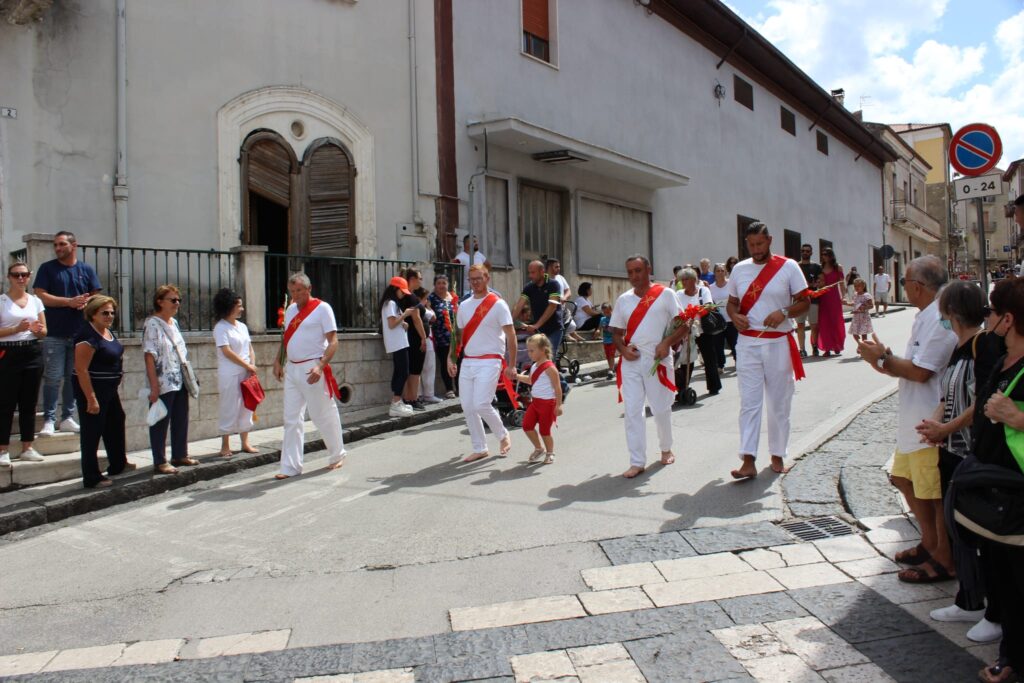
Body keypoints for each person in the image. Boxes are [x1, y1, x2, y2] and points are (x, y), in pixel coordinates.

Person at [856, 255, 957, 582]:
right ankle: (930, 542)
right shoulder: (926, 315)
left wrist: (883, 359)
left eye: (904, 282)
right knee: (903, 479)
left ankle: (944, 557)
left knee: (933, 493)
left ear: (917, 286)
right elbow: (910, 366)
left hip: (929, 419)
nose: (903, 287)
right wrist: (882, 359)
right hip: (914, 417)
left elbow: (921, 371)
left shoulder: (940, 318)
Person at [915, 281, 1002, 643]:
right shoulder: (958, 347)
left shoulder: (984, 345)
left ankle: (991, 609)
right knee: (958, 527)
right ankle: (968, 598)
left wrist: (947, 427)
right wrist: (935, 425)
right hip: (951, 449)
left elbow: (982, 399)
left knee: (977, 531)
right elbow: (947, 396)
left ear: (951, 311)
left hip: (972, 452)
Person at [727, 223, 810, 479]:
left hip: (778, 343)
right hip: (747, 344)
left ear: (770, 240)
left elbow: (805, 302)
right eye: (751, 245)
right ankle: (748, 460)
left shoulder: (788, 267)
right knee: (749, 403)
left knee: (778, 402)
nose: (756, 249)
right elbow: (732, 303)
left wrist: (784, 312)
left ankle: (777, 454)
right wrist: (734, 316)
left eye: (760, 244)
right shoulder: (739, 269)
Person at [972, 277, 1024, 682]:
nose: (987, 318)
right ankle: (1010, 656)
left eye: (992, 312)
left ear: (1008, 319)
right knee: (1005, 579)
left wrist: (1017, 417)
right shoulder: (1000, 356)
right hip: (997, 490)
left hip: (1018, 491)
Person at [610, 255, 687, 479]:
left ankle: (666, 448)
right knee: (633, 411)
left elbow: (683, 325)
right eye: (630, 272)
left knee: (661, 408)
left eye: (638, 270)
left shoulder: (666, 294)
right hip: (631, 360)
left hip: (657, 358)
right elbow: (616, 333)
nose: (634, 276)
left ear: (648, 270)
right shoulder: (624, 300)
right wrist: (622, 350)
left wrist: (666, 343)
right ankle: (637, 461)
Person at [273, 272, 346, 478]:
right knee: (291, 419)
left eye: (299, 291)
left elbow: (333, 341)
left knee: (322, 414)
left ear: (309, 289)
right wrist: (278, 361)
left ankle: (337, 454)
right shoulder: (290, 310)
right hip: (292, 369)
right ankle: (290, 467)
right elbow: (286, 339)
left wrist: (321, 366)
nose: (295, 295)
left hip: (312, 367)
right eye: (292, 291)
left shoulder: (323, 309)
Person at [33, 230, 101, 436]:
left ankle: (68, 418)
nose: (58, 248)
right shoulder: (47, 269)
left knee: (74, 377)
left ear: (74, 245)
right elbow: (40, 295)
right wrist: (69, 302)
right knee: (53, 377)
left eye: (62, 244)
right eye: (56, 245)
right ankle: (49, 419)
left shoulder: (86, 269)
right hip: (54, 333)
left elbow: (96, 295)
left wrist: (85, 302)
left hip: (80, 335)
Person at [446, 264, 516, 462]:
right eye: (472, 279)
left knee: (481, 403)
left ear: (487, 279)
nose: (475, 282)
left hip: (490, 360)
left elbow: (511, 335)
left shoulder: (498, 304)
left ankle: (502, 434)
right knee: (468, 407)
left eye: (479, 278)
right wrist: (451, 358)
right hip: (468, 361)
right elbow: (457, 337)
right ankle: (480, 447)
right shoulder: (464, 306)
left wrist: (511, 364)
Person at [73, 296, 131, 488]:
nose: (110, 316)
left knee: (116, 421)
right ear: (93, 314)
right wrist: (91, 398)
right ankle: (91, 476)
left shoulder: (106, 331)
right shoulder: (87, 336)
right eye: (105, 313)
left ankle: (118, 464)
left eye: (112, 312)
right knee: (92, 431)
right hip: (93, 390)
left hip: (109, 389)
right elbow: (81, 369)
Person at [143, 285, 196, 475]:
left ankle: (180, 454)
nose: (177, 303)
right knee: (160, 420)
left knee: (181, 417)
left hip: (179, 377)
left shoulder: (174, 323)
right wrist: (154, 386)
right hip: (163, 380)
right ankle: (160, 461)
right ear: (160, 302)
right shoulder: (152, 324)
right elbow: (149, 355)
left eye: (178, 300)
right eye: (173, 300)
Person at [0, 262, 47, 467]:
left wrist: (37, 330)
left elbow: (44, 331)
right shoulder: (2, 301)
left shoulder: (35, 301)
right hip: (8, 352)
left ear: (29, 277)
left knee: (29, 403)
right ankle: (3, 449)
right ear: (9, 277)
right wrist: (15, 329)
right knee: (6, 403)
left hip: (32, 351)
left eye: (24, 275)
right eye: (16, 275)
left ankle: (27, 447)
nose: (20, 278)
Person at [212, 288, 258, 458]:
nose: (242, 309)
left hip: (246, 372)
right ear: (229, 306)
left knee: (247, 406)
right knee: (229, 406)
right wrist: (247, 365)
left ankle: (245, 442)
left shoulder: (243, 327)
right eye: (239, 306)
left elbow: (249, 348)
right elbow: (227, 351)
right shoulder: (220, 327)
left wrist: (252, 365)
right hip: (230, 373)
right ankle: (225, 445)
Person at [516, 334, 563, 465]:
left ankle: (550, 452)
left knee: (544, 431)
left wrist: (558, 405)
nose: (529, 353)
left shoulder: (550, 368)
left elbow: (558, 388)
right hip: (535, 402)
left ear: (543, 350)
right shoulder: (534, 365)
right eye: (528, 350)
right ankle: (539, 448)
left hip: (547, 404)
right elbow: (531, 380)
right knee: (527, 426)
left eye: (532, 350)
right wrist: (517, 376)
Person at [674, 268, 721, 398]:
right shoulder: (678, 294)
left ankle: (714, 386)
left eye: (686, 279)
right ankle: (683, 388)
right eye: (682, 279)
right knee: (686, 359)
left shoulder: (703, 290)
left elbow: (709, 306)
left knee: (709, 358)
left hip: (702, 329)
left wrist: (694, 311)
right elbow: (675, 310)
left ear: (694, 280)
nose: (683, 282)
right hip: (686, 331)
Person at [381, 276, 417, 417]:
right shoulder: (391, 303)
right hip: (397, 343)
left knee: (400, 371)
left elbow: (393, 322)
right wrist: (405, 315)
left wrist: (403, 322)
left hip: (398, 342)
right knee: (403, 372)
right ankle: (396, 402)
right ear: (396, 289)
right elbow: (391, 324)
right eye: (402, 291)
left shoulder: (389, 303)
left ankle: (397, 401)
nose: (403, 294)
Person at [512, 261, 564, 354]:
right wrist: (510, 321)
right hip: (538, 330)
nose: (530, 276)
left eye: (533, 272)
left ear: (542, 271)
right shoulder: (529, 287)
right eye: (529, 272)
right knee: (537, 356)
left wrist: (537, 325)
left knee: (549, 356)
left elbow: (552, 306)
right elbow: (519, 305)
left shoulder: (553, 284)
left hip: (554, 328)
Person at [400, 268, 429, 412]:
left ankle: (409, 397)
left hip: (410, 336)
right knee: (415, 370)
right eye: (420, 278)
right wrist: (423, 338)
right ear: (412, 279)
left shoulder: (406, 295)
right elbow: (416, 319)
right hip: (415, 337)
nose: (421, 281)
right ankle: (412, 398)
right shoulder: (411, 297)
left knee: (412, 369)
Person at [427, 274, 457, 400]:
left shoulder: (453, 296)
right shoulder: (431, 298)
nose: (441, 286)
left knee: (458, 361)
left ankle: (460, 388)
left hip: (455, 337)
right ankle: (449, 389)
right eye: (438, 283)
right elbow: (428, 313)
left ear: (447, 284)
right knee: (446, 362)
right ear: (434, 285)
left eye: (444, 283)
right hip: (441, 337)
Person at [816, 247, 846, 356]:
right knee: (824, 323)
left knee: (836, 322)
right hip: (823, 298)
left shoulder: (838, 267)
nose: (824, 256)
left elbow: (841, 283)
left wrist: (843, 296)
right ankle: (827, 348)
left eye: (826, 254)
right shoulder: (820, 268)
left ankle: (837, 345)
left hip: (834, 298)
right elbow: (818, 282)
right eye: (823, 254)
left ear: (831, 255)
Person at [794, 244, 822, 358]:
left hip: (813, 299)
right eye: (803, 251)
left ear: (811, 253)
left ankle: (815, 346)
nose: (805, 252)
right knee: (800, 325)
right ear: (800, 252)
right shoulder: (796, 266)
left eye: (807, 251)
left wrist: (817, 284)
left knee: (814, 325)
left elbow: (821, 281)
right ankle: (802, 349)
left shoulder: (816, 266)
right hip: (799, 300)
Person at [415, 286, 441, 404]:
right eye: (425, 299)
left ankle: (420, 394)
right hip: (426, 339)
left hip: (419, 339)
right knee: (428, 367)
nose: (427, 301)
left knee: (419, 368)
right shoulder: (423, 309)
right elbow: (434, 317)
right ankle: (428, 394)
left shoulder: (416, 308)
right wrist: (428, 307)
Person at [707, 263, 734, 371]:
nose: (720, 273)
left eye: (722, 270)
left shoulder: (731, 284)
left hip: (731, 318)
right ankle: (720, 365)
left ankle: (738, 362)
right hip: (718, 321)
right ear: (714, 273)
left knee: (734, 343)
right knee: (718, 345)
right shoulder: (710, 287)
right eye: (718, 270)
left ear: (726, 272)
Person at [599, 303, 615, 380]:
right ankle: (611, 369)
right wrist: (598, 331)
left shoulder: (614, 318)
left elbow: (615, 329)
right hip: (605, 340)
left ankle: (610, 370)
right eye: (604, 312)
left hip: (613, 340)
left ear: (611, 310)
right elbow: (599, 328)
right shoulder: (602, 319)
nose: (606, 314)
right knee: (608, 356)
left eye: (608, 312)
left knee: (611, 355)